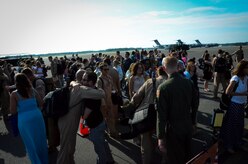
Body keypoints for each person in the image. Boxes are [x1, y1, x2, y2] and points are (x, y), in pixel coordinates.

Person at [157, 56, 198, 164]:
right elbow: (195, 105)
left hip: (173, 129)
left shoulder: (163, 87)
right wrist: (193, 122)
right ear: (178, 67)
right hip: (188, 125)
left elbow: (161, 115)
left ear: (164, 68)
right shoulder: (189, 82)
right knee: (188, 155)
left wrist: (160, 137)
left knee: (174, 157)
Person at [56, 77, 105, 164]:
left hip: (65, 120)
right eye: (84, 79)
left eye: (86, 80)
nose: (85, 81)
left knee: (70, 146)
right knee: (65, 148)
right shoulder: (82, 89)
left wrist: (73, 83)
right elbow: (101, 94)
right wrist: (99, 87)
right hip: (68, 122)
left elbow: (72, 81)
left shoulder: (76, 86)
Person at [129, 66, 167, 164]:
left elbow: (136, 97)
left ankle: (146, 161)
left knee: (146, 138)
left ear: (158, 73)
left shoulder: (150, 81)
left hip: (148, 113)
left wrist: (131, 106)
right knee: (164, 138)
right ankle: (164, 159)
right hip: (164, 115)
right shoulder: (170, 82)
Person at [9, 73, 48, 164]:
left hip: (24, 119)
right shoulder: (33, 90)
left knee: (30, 142)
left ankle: (37, 162)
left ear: (16, 82)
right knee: (41, 140)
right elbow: (41, 103)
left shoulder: (14, 94)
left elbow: (13, 111)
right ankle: (44, 160)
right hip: (37, 116)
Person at [81, 72, 115, 164]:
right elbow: (103, 105)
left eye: (84, 80)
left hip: (95, 125)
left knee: (99, 148)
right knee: (103, 142)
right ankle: (110, 160)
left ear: (91, 82)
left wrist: (81, 120)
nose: (81, 81)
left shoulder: (91, 96)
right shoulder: (96, 91)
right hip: (100, 122)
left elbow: (85, 115)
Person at [220, 60, 248, 154]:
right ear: (242, 68)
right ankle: (228, 145)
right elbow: (228, 92)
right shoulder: (235, 78)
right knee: (231, 126)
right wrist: (242, 94)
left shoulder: (246, 77)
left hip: (241, 104)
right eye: (247, 68)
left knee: (239, 125)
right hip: (234, 104)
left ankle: (238, 143)